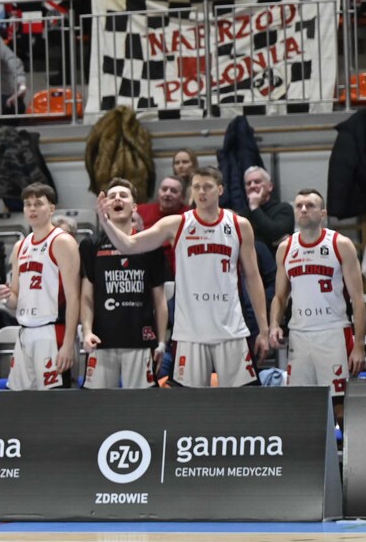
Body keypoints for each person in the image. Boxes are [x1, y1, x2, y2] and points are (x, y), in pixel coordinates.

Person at [97, 166, 270, 388]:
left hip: (231, 330)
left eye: (207, 187)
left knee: (242, 401)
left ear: (220, 190)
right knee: (189, 404)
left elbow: (253, 278)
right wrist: (105, 222)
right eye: (196, 187)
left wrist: (263, 329)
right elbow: (129, 246)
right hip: (190, 333)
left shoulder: (239, 225)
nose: (201, 192)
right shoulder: (176, 224)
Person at [270, 190, 366, 407]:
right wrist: (274, 324)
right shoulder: (286, 248)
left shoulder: (340, 244)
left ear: (323, 213)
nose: (303, 209)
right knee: (302, 404)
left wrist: (359, 345)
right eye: (299, 206)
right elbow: (280, 296)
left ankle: (341, 433)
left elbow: (358, 299)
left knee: (339, 404)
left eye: (310, 205)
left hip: (333, 333)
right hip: (299, 335)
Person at [81, 179, 169, 389]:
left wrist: (161, 342)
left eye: (123, 195)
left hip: (140, 341)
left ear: (134, 207)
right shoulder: (90, 245)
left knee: (142, 404)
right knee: (98, 404)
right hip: (101, 341)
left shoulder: (151, 245)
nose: (117, 199)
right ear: (105, 207)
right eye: (111, 196)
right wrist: (87, 331)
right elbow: (86, 296)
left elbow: (159, 299)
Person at [0, 183, 81, 390]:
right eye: (27, 204)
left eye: (38, 203)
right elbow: (15, 298)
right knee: (20, 401)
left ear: (51, 208)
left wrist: (68, 344)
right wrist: (7, 297)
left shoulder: (62, 241)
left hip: (53, 331)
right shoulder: (20, 246)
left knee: (55, 402)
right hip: (25, 332)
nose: (32, 209)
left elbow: (74, 297)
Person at [237, 165, 294, 316]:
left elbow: (275, 232)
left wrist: (255, 208)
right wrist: (271, 238)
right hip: (249, 272)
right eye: (248, 183)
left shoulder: (284, 209)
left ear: (270, 186)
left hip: (278, 274)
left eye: (257, 182)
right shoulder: (242, 215)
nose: (252, 186)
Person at [134, 175, 187, 272]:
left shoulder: (189, 216)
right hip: (143, 267)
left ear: (182, 197)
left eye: (173, 191)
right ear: (158, 192)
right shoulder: (140, 211)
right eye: (164, 189)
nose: (167, 193)